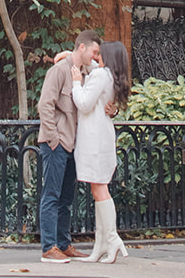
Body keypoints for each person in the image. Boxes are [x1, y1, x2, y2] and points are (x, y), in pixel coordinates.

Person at [37, 28, 102, 263]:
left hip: (74, 146)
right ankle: (48, 248)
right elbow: (45, 105)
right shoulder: (58, 71)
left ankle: (63, 245)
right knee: (51, 195)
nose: (96, 56)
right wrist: (53, 140)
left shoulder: (85, 73)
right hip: (57, 144)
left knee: (66, 198)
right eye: (94, 52)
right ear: (82, 47)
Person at [72, 40, 131, 263]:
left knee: (100, 189)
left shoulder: (100, 75)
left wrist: (76, 84)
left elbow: (84, 103)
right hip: (102, 136)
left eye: (100, 54)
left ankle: (112, 238)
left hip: (94, 139)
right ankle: (100, 246)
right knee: (99, 190)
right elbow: (93, 70)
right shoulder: (111, 76)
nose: (97, 57)